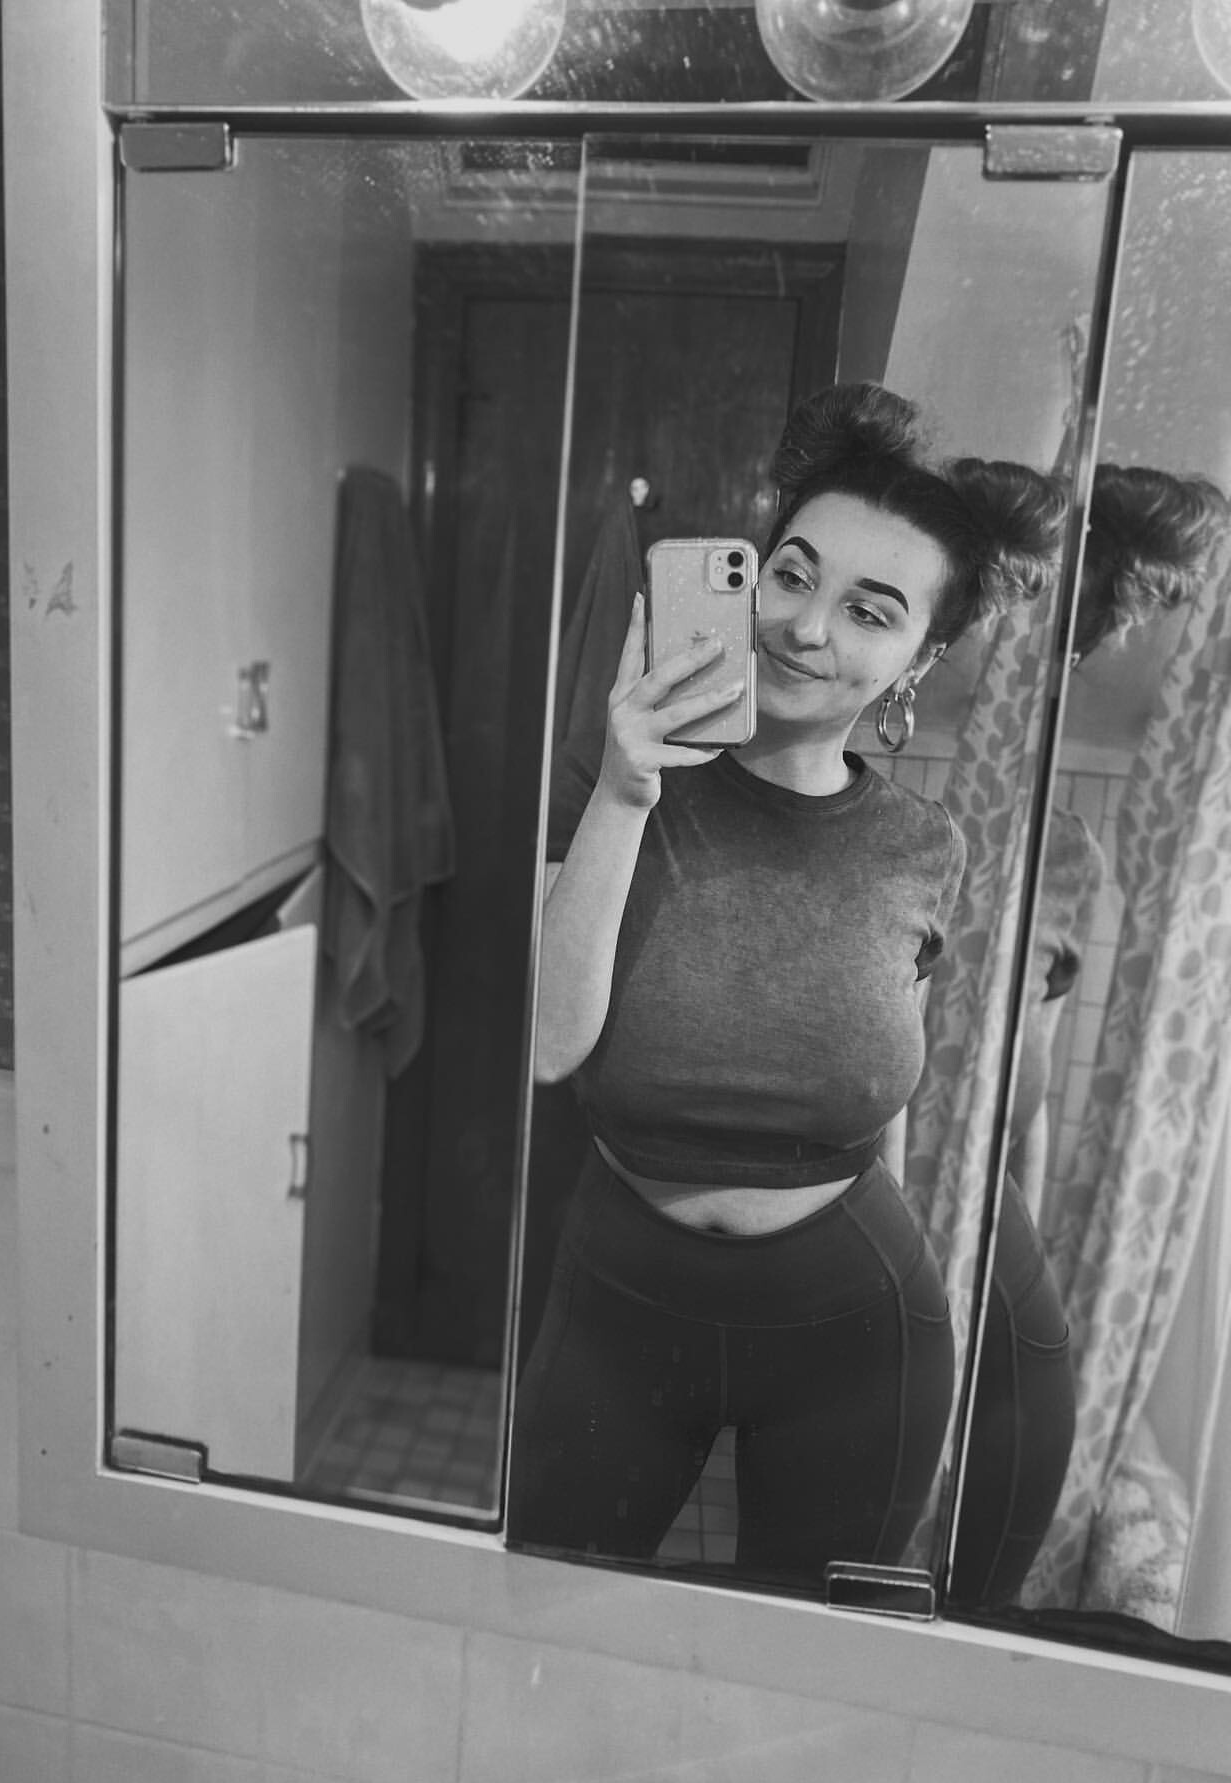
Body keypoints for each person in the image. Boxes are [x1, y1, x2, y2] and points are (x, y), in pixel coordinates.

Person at [507, 382, 1063, 1586]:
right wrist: (625, 793)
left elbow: (881, 1092)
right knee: (549, 1611)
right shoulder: (619, 783)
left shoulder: (925, 849)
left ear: (920, 659)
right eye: (792, 575)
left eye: (869, 609)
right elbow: (549, 1047)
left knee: (799, 1663)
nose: (806, 627)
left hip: (854, 1329)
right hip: (619, 1298)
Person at [950, 462, 1231, 1609]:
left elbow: (1029, 1076)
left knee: (1028, 1379)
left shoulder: (1070, 855)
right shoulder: (990, 834)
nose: (1129, 636)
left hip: (1004, 1155)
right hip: (945, 1157)